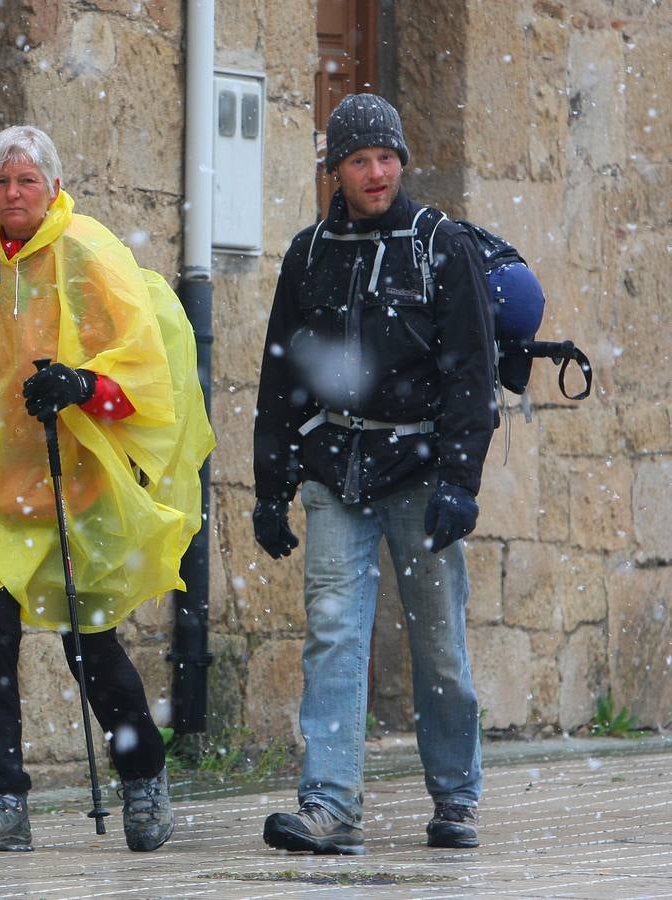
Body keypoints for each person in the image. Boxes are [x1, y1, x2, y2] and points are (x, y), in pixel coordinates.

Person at [0, 125, 213, 854]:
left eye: (26, 181)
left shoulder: (88, 252)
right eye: (1, 182)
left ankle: (142, 774)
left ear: (51, 185)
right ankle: (0, 800)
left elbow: (138, 371)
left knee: (91, 648)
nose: (13, 195)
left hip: (78, 488)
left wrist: (81, 384)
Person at [253, 94, 496, 854]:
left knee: (440, 648)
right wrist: (272, 486)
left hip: (421, 472)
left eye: (387, 157)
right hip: (336, 469)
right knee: (331, 636)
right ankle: (329, 806)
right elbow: (280, 377)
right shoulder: (309, 253)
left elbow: (471, 375)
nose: (377, 172)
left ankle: (455, 798)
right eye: (360, 160)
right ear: (336, 170)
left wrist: (461, 480)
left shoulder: (438, 245)